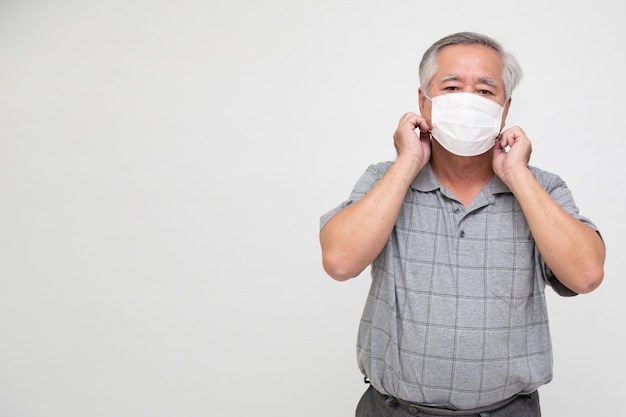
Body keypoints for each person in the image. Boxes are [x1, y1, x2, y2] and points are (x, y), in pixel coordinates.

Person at [319, 32, 605, 417]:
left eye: (486, 92)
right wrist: (407, 162)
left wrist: (517, 174)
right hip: (393, 410)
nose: (469, 100)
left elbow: (586, 274)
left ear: (505, 109)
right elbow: (339, 261)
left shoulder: (542, 188)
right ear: (424, 101)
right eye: (452, 87)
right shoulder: (383, 180)